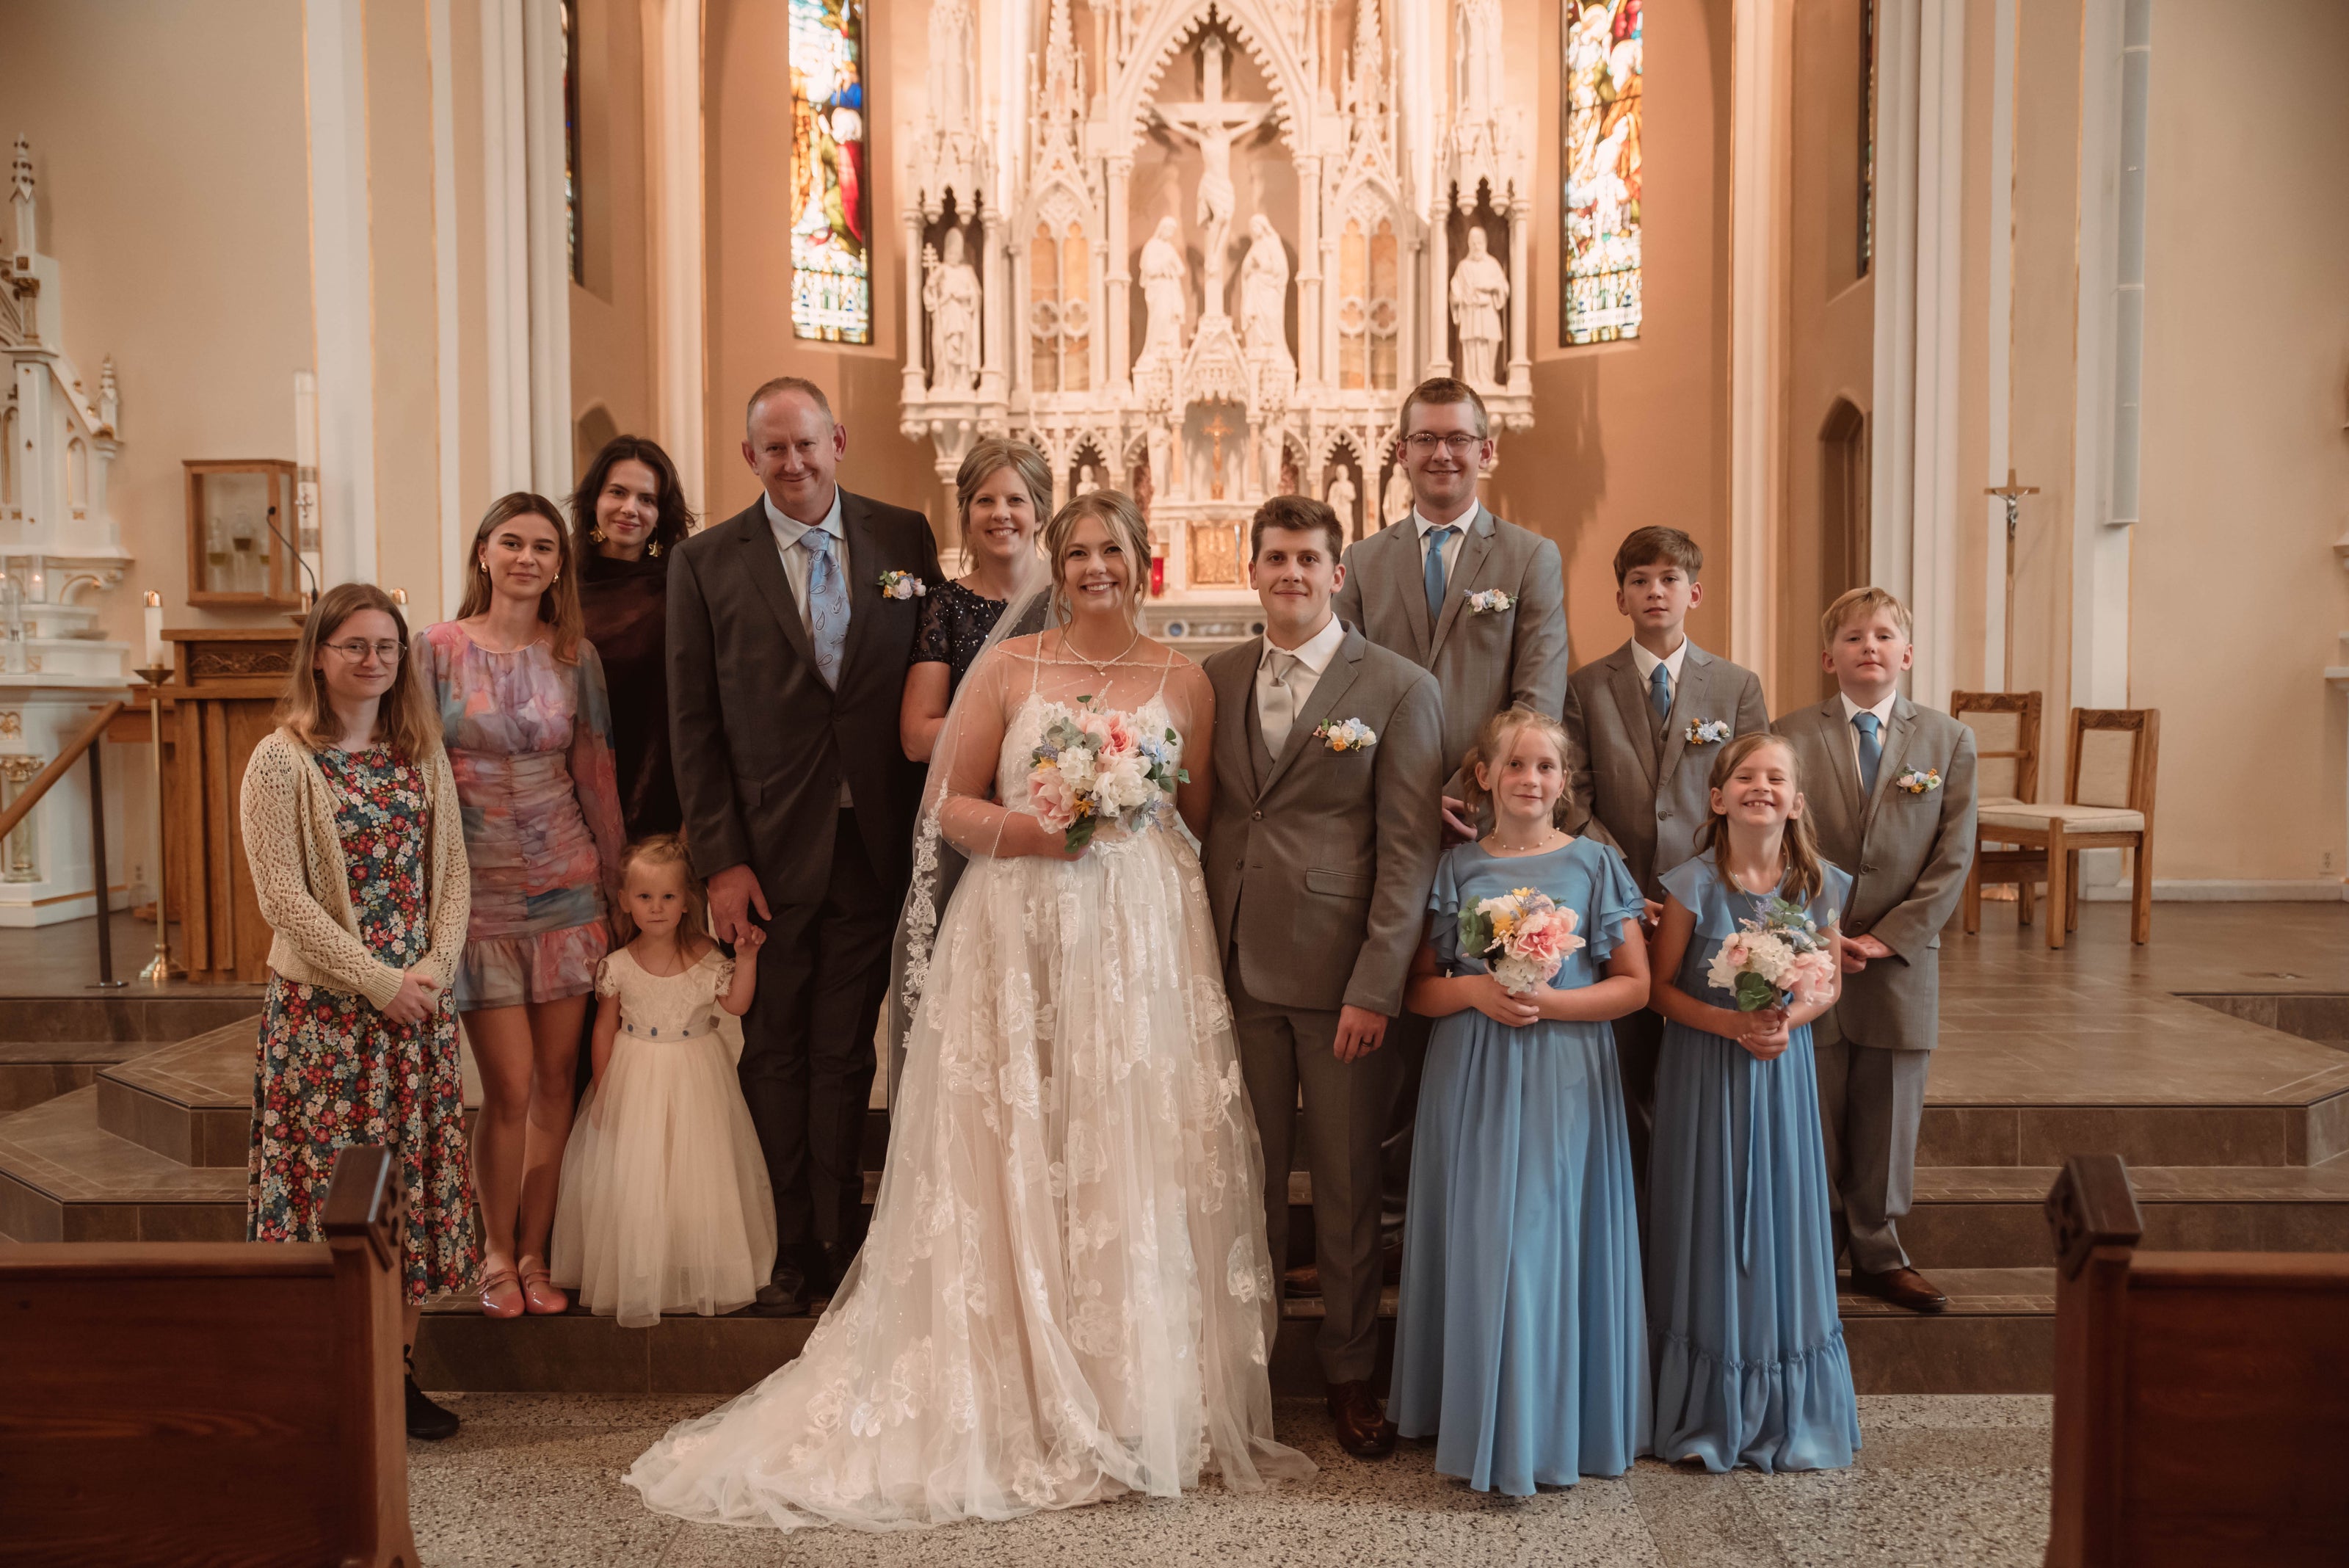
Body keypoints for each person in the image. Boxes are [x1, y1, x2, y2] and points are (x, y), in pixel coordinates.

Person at [625, 491, 1310, 1531]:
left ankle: (1130, 1390)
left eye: (1111, 550)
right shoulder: (1009, 668)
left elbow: (1198, 815)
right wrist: (1035, 832)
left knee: (1119, 1142)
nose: (1094, 567)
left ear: (1142, 561)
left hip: (1138, 943)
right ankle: (1013, 1367)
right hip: (1016, 927)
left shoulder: (1185, 680)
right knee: (1017, 1138)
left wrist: (1135, 847)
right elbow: (946, 804)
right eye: (1076, 552)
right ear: (1055, 566)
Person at [667, 376, 941, 1317]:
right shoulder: (705, 563)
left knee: (845, 1049)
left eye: (806, 444)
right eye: (774, 448)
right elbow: (693, 722)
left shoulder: (903, 538)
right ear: (750, 457)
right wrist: (719, 861)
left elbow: (929, 669)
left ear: (838, 441)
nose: (793, 462)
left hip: (873, 839)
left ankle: (841, 1234)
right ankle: (786, 1243)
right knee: (774, 1048)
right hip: (766, 851)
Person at [1200, 496, 1443, 1459]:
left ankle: (1349, 1373)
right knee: (1244, 1182)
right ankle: (1245, 1371)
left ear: (1337, 575)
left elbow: (1408, 851)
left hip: (1341, 980)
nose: (1291, 574)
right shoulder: (1215, 677)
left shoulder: (1397, 687)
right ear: (1253, 572)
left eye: (1308, 559)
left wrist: (1376, 986)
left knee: (1343, 1188)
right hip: (1232, 966)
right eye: (1275, 558)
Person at [1329, 374, 1572, 1286]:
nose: (1441, 454)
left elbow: (1536, 692)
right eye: (1424, 439)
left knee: (1478, 1022)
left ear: (1485, 451)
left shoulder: (1529, 558)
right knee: (1393, 1033)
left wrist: (1475, 782)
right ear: (1400, 453)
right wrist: (1403, 793)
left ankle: (1468, 1222)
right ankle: (1386, 1226)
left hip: (1492, 828)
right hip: (1389, 832)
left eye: (1457, 438)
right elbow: (1343, 689)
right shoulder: (1363, 561)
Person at [1390, 706, 1650, 1493]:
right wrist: (1476, 990)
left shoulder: (1596, 865)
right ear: (1484, 776)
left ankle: (1549, 1422)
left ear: (1563, 782)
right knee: (1481, 1238)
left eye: (1545, 767)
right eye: (1514, 764)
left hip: (1563, 1075)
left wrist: (1549, 1003)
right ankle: (1475, 1416)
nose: (1529, 779)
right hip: (1471, 1072)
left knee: (1545, 1238)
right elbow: (1418, 989)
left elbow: (1634, 987)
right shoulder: (1457, 869)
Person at [241, 582, 476, 1440]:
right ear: (318, 656)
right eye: (355, 646)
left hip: (415, 1017)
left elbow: (452, 875)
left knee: (406, 1197)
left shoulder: (418, 751)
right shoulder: (280, 761)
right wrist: (379, 983)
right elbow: (283, 900)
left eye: (386, 647)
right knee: (330, 1199)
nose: (373, 661)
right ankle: (329, 1375)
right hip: (327, 1023)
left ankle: (396, 1378)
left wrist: (433, 973)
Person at [424, 493, 628, 1319]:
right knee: (505, 1088)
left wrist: (616, 887)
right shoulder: (435, 650)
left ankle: (537, 1254)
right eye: (512, 542)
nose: (526, 558)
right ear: (483, 552)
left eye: (543, 547)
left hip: (567, 886)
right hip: (477, 895)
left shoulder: (575, 654)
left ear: (558, 565)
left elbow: (597, 773)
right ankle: (495, 1251)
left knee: (554, 1082)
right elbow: (413, 768)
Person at [1646, 732, 1859, 1472]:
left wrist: (1783, 1023)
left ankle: (1783, 1404)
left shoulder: (1819, 885)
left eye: (1775, 778)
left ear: (1796, 802)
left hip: (1779, 1070)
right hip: (1704, 1070)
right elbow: (1657, 990)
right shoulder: (1690, 884)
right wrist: (1730, 1025)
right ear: (1717, 798)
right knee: (1708, 1214)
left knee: (1780, 1212)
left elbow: (1829, 981)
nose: (1759, 787)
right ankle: (1703, 1406)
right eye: (1744, 776)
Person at [1772, 587, 1978, 1315]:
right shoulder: (1790, 734)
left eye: (1884, 636)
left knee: (1889, 1115)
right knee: (1817, 1111)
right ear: (1828, 657)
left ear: (1907, 653)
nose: (1869, 647)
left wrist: (1888, 937)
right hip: (1813, 953)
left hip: (1898, 962)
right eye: (1854, 637)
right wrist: (1820, 932)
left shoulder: (1948, 741)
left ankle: (1879, 1253)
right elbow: (1776, 841)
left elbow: (1953, 856)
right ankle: (1812, 1251)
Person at [1564, 526, 1769, 1222]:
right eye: (1640, 580)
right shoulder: (1586, 687)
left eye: (1670, 579)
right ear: (1620, 597)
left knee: (1691, 1070)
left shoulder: (1737, 687)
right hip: (1616, 906)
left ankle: (1689, 1216)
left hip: (1708, 908)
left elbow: (1753, 792)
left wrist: (1691, 888)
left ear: (1694, 593)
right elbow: (1575, 798)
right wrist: (1627, 888)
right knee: (1623, 1070)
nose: (1656, 591)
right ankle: (1628, 1217)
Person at [549, 835, 775, 1326]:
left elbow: (736, 1004)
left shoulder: (707, 957)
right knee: (641, 1172)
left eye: (668, 896)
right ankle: (643, 1263)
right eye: (645, 897)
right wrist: (605, 1089)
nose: (656, 907)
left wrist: (748, 959)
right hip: (636, 1075)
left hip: (696, 1075)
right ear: (626, 901)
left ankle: (693, 1260)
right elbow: (604, 1029)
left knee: (695, 1168)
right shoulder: (618, 965)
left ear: (687, 901)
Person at [572, 435, 696, 839]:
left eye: (647, 499)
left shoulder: (681, 588)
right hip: (569, 786)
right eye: (618, 492)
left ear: (660, 514)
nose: (630, 508)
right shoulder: (559, 587)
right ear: (594, 500)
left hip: (657, 777)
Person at [899, 437, 1053, 759]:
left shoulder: (1069, 600)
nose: (1000, 513)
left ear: (1040, 515)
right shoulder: (944, 604)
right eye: (985, 501)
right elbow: (916, 738)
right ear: (968, 518)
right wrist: (1019, 739)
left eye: (1015, 500)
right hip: (970, 785)